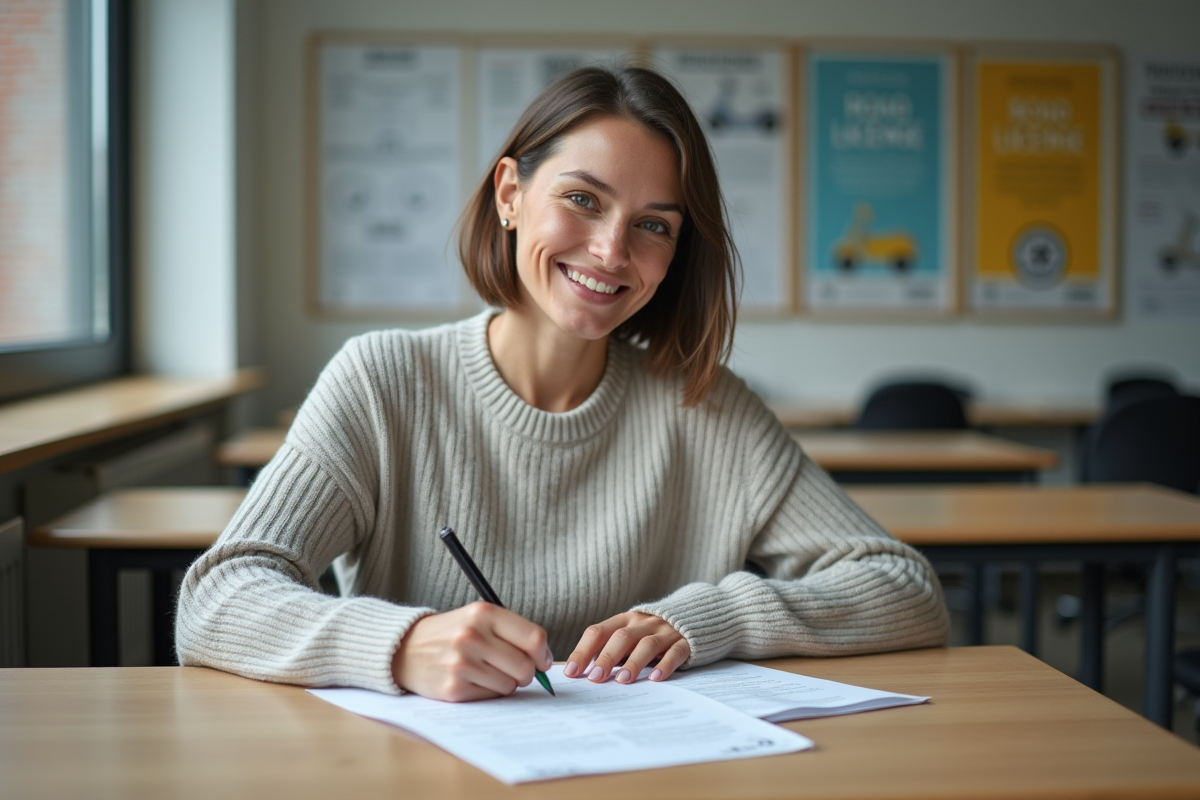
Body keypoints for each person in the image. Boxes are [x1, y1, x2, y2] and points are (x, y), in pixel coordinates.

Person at [176, 65, 948, 702]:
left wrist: (715, 617)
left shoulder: (710, 407)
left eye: (654, 225)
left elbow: (904, 589)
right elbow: (217, 598)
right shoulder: (384, 382)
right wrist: (401, 644)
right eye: (582, 200)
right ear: (510, 195)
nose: (611, 250)